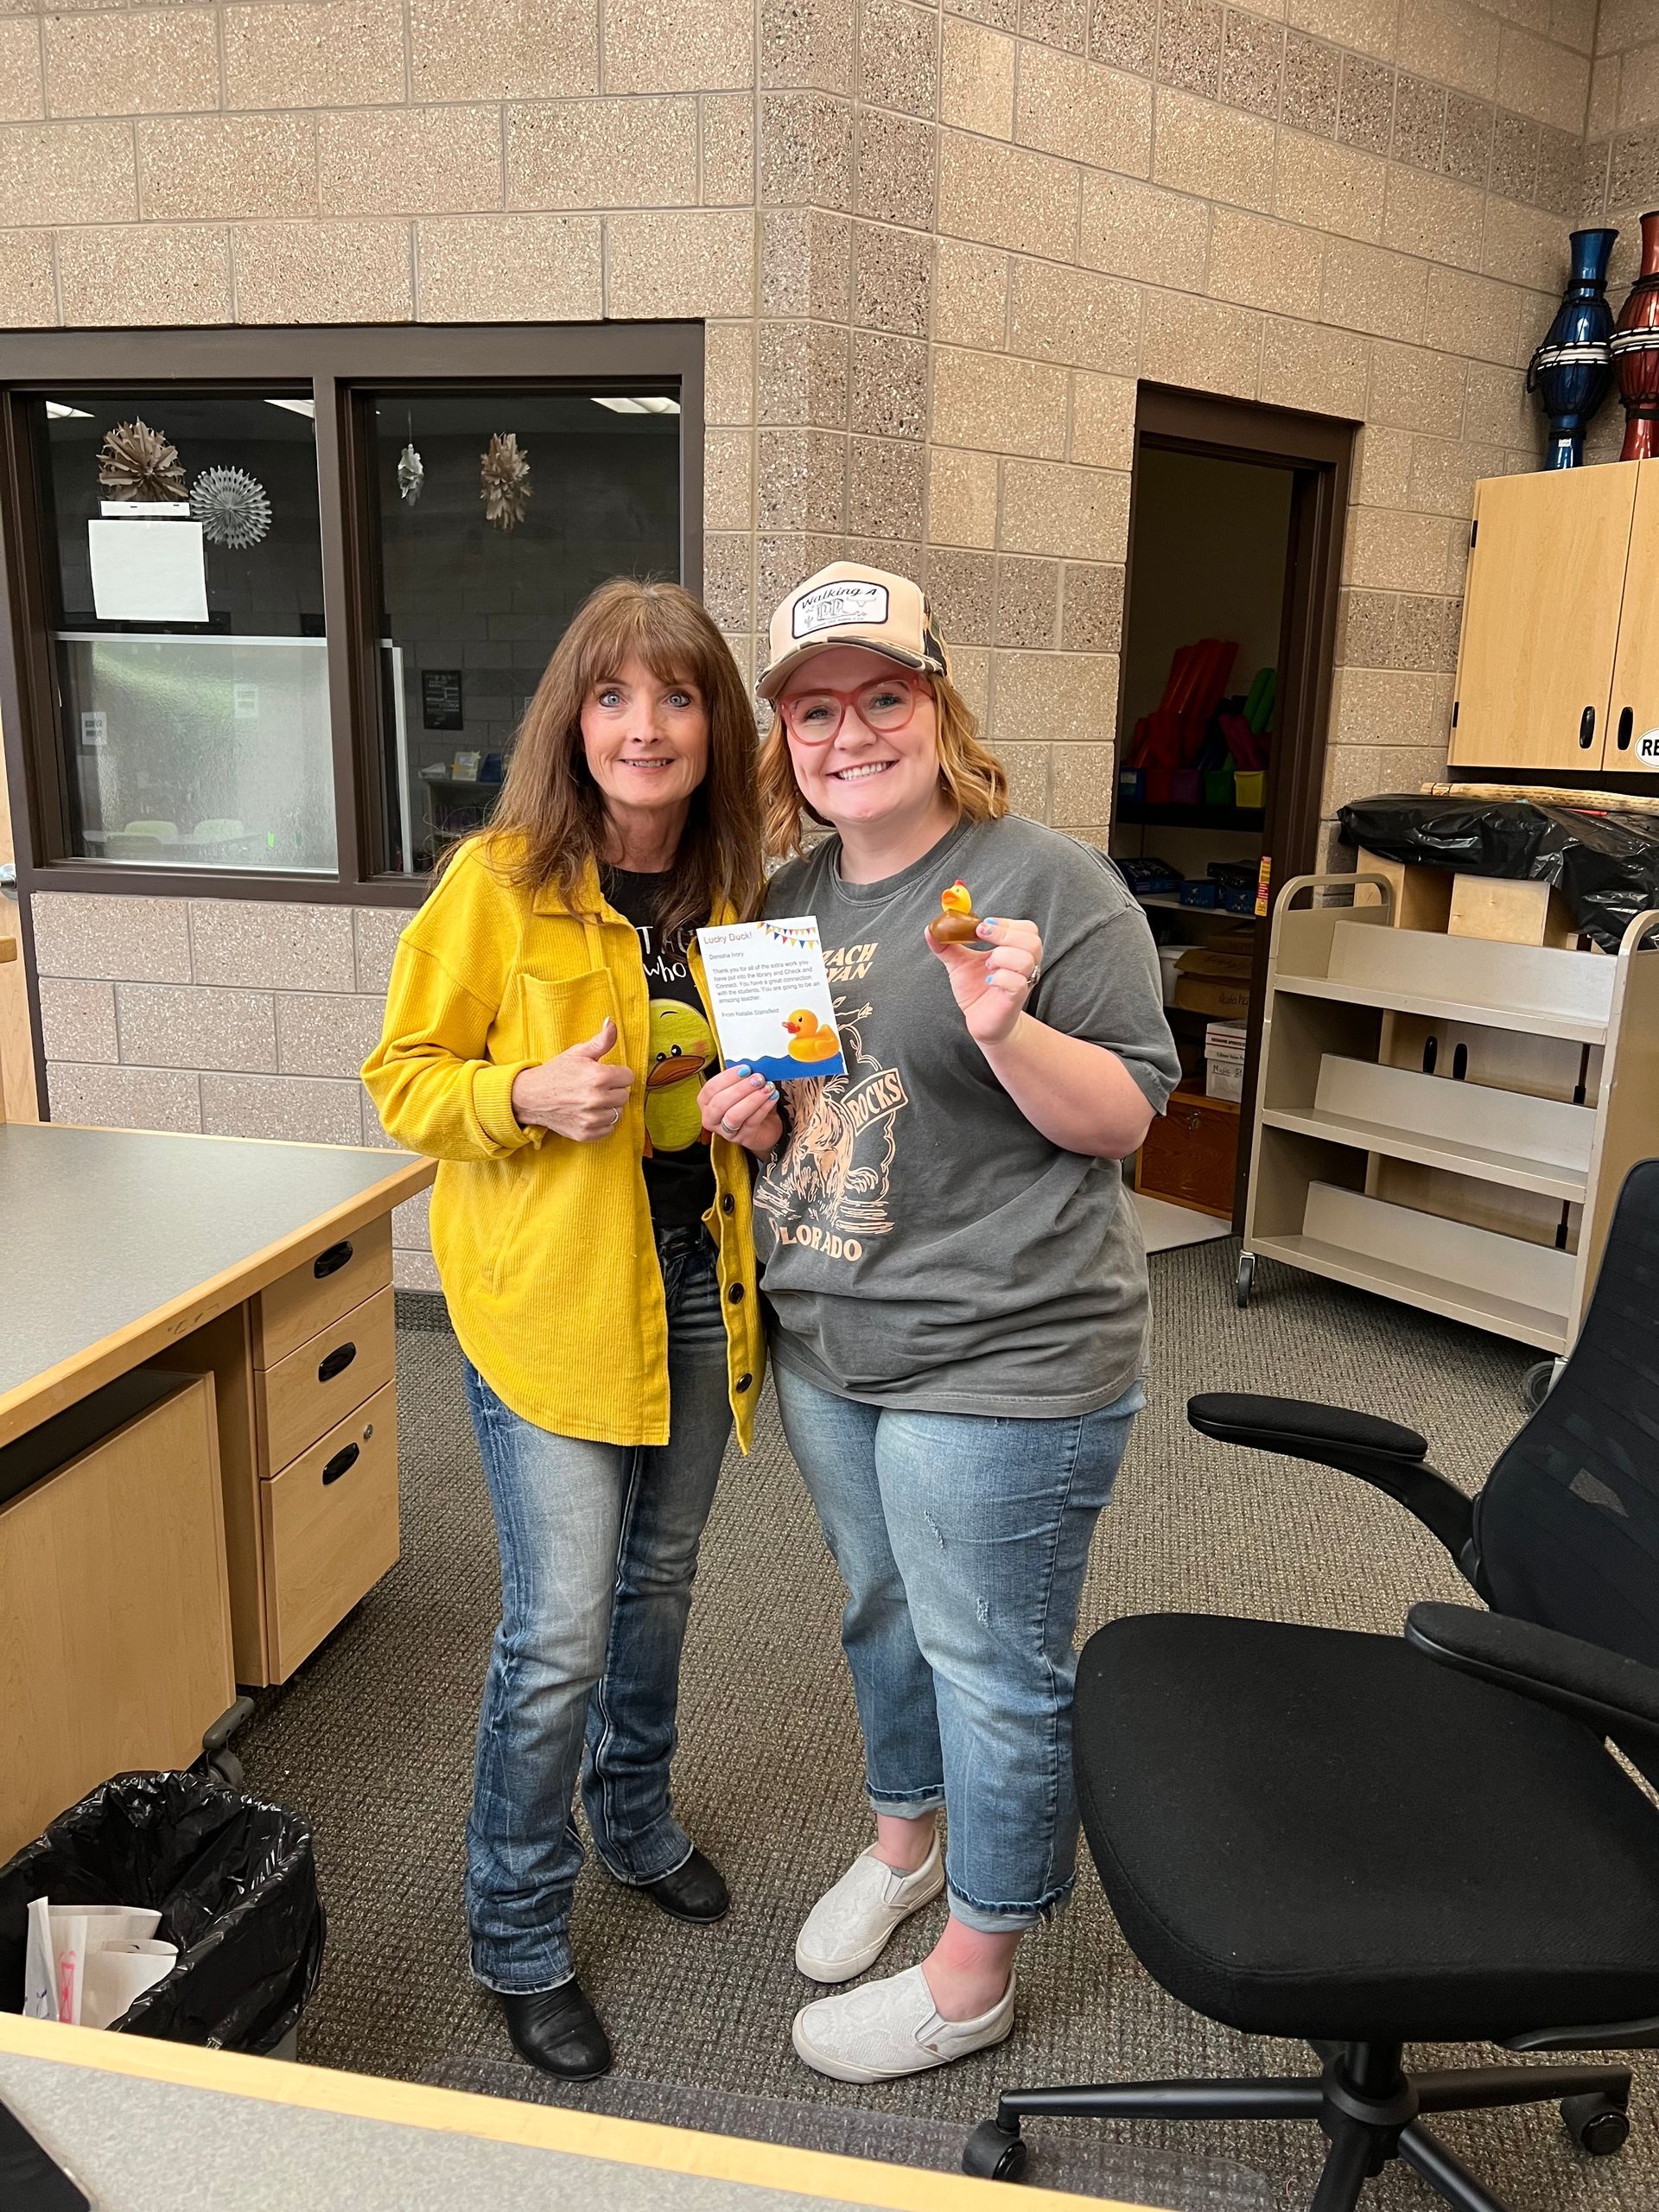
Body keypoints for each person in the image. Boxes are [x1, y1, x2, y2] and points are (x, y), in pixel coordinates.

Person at [729, 560, 1179, 2082]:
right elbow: (815, 1116)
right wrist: (751, 1115)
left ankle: (976, 1965)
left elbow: (1126, 1121)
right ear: (786, 736)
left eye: (882, 698)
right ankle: (905, 1840)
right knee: (883, 1612)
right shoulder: (785, 902)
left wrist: (1010, 1028)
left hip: (1003, 1357)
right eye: (815, 711)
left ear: (936, 704)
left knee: (994, 1661)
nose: (849, 734)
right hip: (832, 1343)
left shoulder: (1048, 882)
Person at [362, 579, 778, 2082]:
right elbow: (402, 1074)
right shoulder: (500, 882)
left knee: (657, 1592)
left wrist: (763, 1110)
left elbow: (778, 1087)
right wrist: (521, 1097)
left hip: (694, 1289)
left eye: (676, 698)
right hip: (546, 1306)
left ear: (714, 726)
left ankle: (637, 1819)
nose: (646, 726)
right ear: (575, 720)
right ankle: (517, 1931)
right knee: (556, 1632)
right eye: (615, 696)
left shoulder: (747, 894)